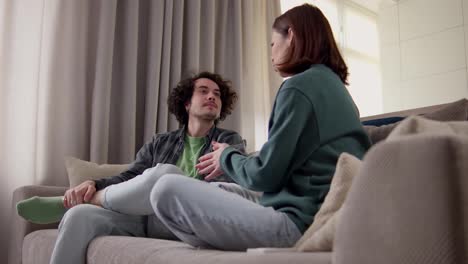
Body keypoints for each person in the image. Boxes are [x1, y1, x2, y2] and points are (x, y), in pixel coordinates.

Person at [112, 3, 369, 251]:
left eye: (272, 43)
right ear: (187, 104)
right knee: (219, 189)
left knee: (165, 189)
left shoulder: (298, 87)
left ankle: (207, 239)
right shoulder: (341, 93)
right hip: (307, 205)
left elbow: (265, 174)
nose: (271, 52)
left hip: (297, 221)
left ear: (290, 35)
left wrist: (226, 156)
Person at [16, 72, 249, 264]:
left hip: (184, 221)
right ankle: (87, 201)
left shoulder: (229, 141)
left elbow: (237, 185)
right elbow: (132, 176)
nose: (212, 97)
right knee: (79, 215)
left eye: (217, 95)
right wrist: (93, 183)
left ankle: (91, 198)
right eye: (204, 91)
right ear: (187, 103)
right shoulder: (161, 141)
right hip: (145, 218)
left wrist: (229, 158)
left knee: (166, 176)